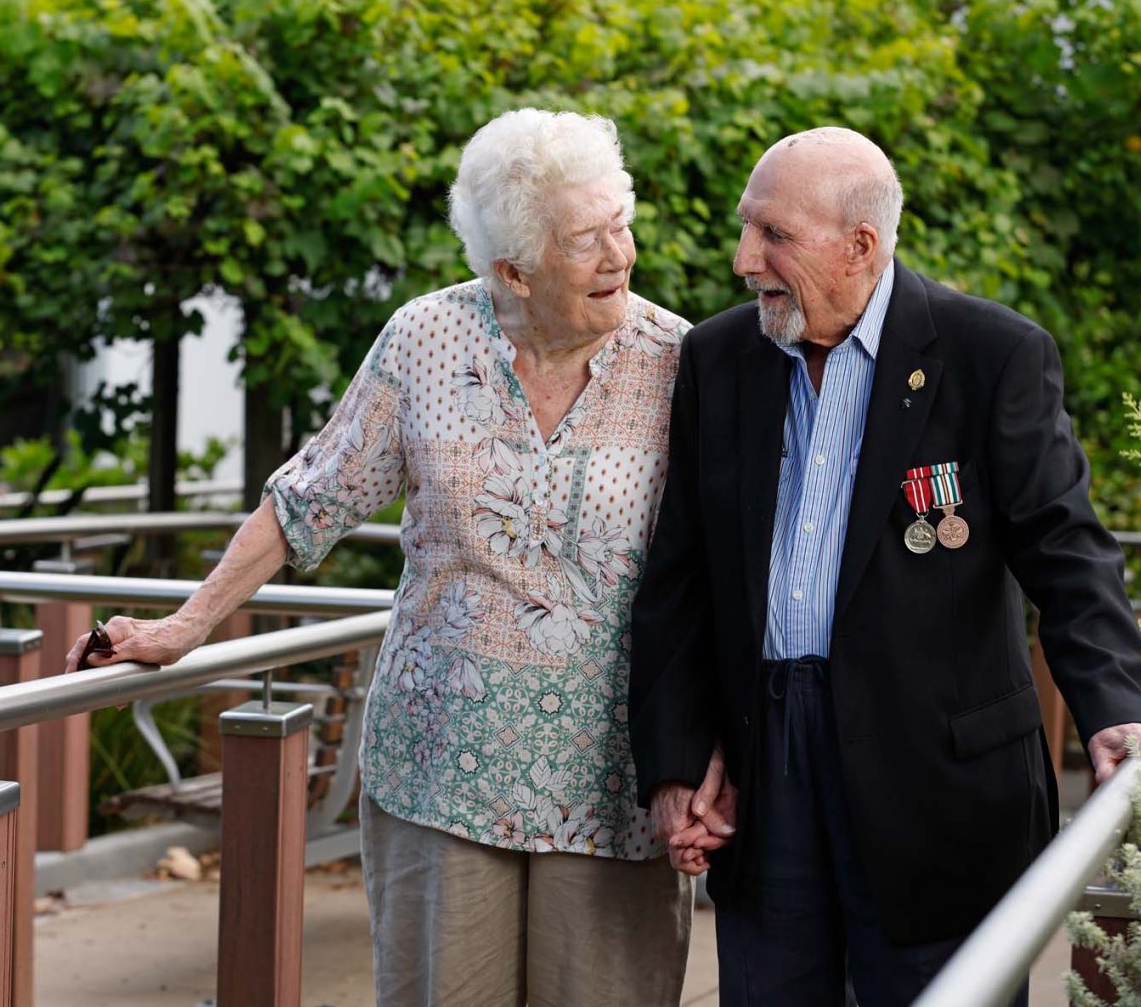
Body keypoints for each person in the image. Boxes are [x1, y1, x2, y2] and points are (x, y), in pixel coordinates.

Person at [66, 108, 701, 1006]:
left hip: (611, 779)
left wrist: (711, 748)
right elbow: (307, 497)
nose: (619, 255)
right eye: (585, 240)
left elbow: (722, 571)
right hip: (441, 761)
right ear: (511, 269)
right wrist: (186, 625)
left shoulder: (681, 362)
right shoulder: (424, 340)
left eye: (620, 224)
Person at [627, 126, 1141, 1007]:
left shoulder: (990, 354)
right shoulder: (718, 359)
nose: (741, 259)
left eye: (772, 235)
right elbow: (678, 577)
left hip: (938, 786)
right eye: (745, 228)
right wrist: (676, 759)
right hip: (770, 769)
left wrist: (1115, 707)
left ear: (861, 245)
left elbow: (1065, 549)